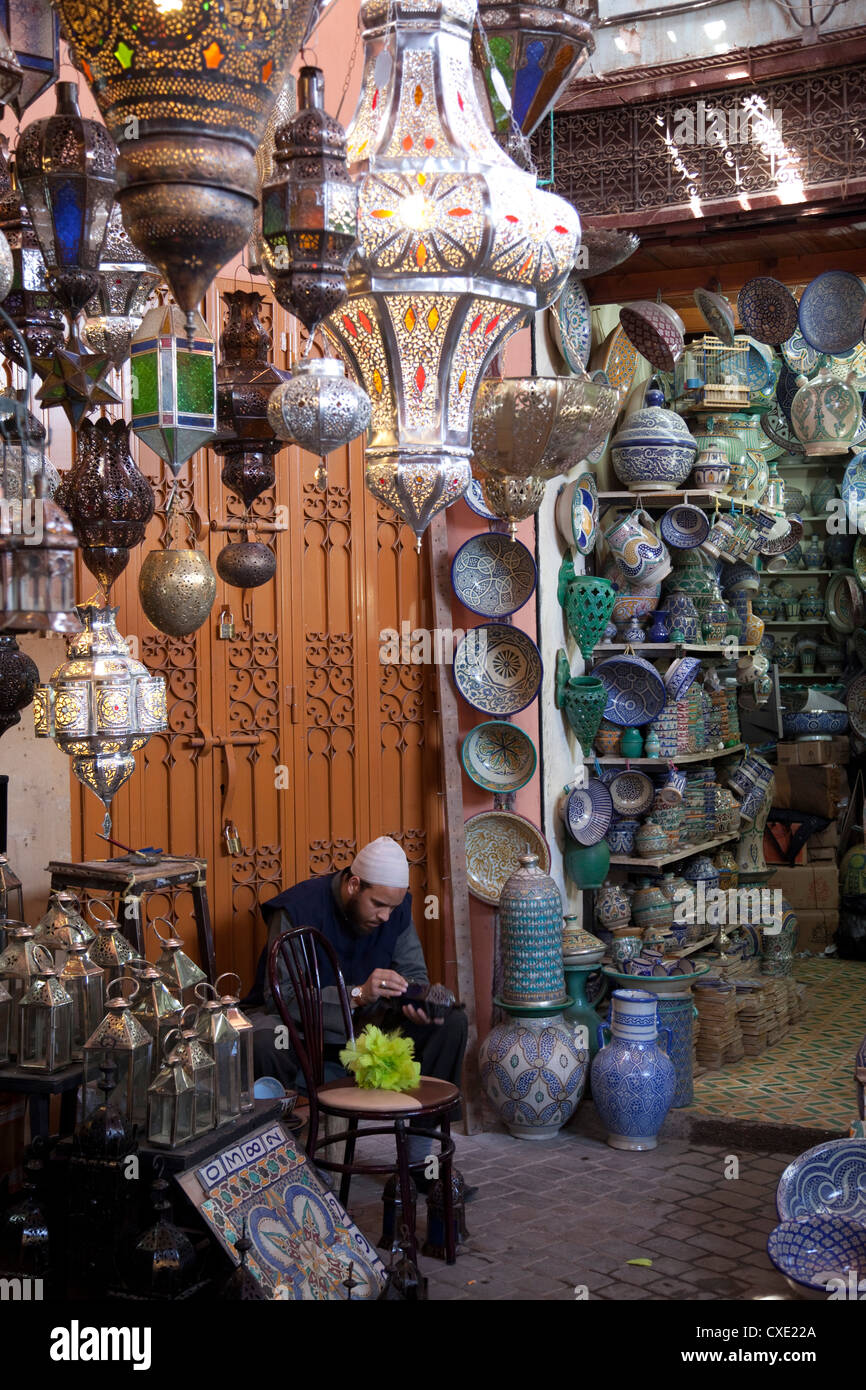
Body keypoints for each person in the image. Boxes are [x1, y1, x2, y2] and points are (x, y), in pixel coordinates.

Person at [246, 836, 469, 1192]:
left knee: (451, 1023)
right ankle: (283, 1168)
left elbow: (414, 975)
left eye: (392, 909)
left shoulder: (393, 910)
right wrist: (356, 994)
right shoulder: (295, 910)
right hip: (309, 1034)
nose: (385, 916)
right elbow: (282, 998)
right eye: (378, 905)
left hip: (370, 1033)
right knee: (261, 1040)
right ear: (353, 885)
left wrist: (416, 1002)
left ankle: (418, 1161)